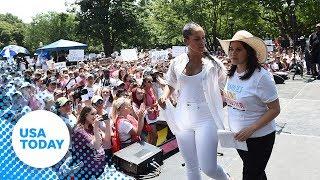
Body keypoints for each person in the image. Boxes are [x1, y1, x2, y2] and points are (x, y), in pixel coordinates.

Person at [158, 22, 230, 180]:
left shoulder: (214, 64)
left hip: (206, 118)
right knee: (191, 166)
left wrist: (224, 98)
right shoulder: (176, 62)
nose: (202, 42)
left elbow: (225, 87)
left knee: (209, 168)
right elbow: (170, 83)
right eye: (197, 39)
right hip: (183, 117)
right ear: (186, 41)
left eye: (203, 38)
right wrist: (165, 95)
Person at [218, 30, 281, 180]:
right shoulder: (231, 74)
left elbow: (275, 109)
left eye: (239, 49)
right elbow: (232, 101)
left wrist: (251, 129)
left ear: (249, 52)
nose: (233, 53)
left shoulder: (261, 77)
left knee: (250, 175)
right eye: (231, 49)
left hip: (260, 138)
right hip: (239, 139)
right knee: (257, 173)